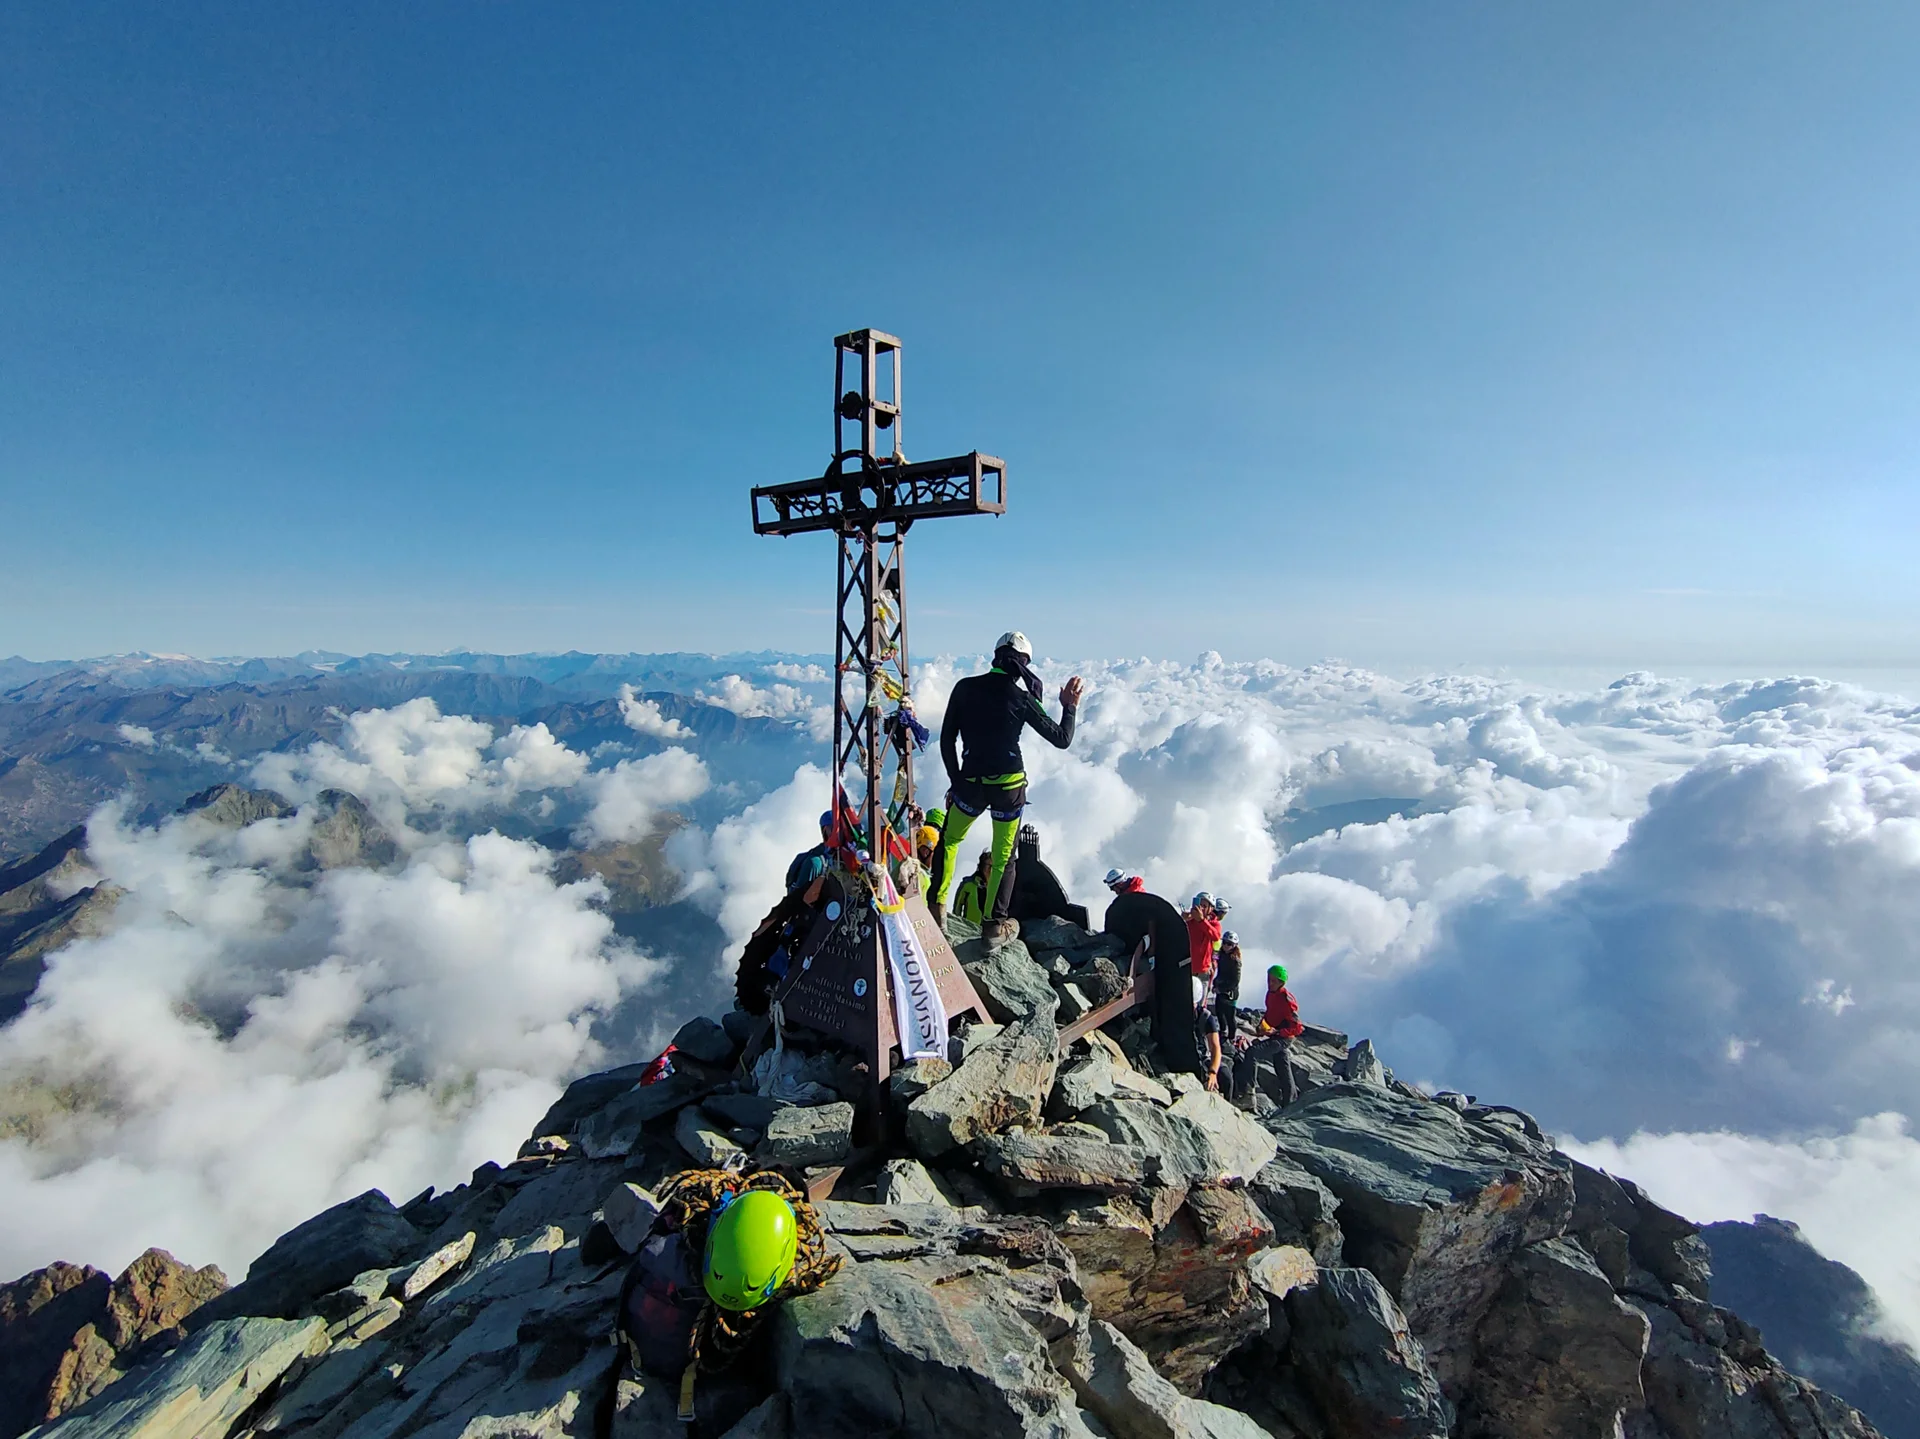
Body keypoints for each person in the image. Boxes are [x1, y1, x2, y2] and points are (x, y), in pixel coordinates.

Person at [929, 631, 1083, 942]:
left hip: (970, 782)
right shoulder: (1022, 698)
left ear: (995, 655)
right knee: (1003, 858)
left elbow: (947, 739)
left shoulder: (964, 688)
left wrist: (957, 781)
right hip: (1010, 786)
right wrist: (1069, 706)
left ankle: (937, 908)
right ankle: (993, 927)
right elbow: (1062, 739)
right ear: (1023, 664)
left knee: (949, 840)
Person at [1259, 963, 1305, 1105]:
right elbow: (1270, 1013)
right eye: (1269, 980)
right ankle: (1290, 1101)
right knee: (1282, 1067)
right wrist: (1262, 1025)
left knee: (1253, 1053)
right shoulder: (1270, 994)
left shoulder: (1286, 1000)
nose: (1270, 983)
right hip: (1275, 1033)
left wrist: (1278, 1031)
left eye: (1273, 981)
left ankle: (1247, 1093)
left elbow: (1298, 1027)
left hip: (1284, 1037)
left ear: (1281, 983)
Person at [784, 811, 837, 893]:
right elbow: (800, 900)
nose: (839, 832)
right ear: (825, 830)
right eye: (834, 828)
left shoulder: (849, 856)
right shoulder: (815, 863)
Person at [1193, 977, 1224, 1092]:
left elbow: (1215, 1047)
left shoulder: (1205, 1017)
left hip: (1200, 1057)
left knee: (1226, 1077)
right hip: (1181, 1055)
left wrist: (1213, 1072)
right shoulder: (1174, 1011)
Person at [1214, 930, 1243, 1045]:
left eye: (1229, 944)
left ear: (1234, 946)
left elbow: (1235, 981)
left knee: (1230, 1016)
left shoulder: (1235, 961)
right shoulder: (1222, 955)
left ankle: (1231, 1038)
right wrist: (1216, 983)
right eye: (1225, 942)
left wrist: (1221, 989)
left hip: (1230, 993)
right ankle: (1222, 1032)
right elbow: (1220, 972)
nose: (1226, 945)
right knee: (1219, 1012)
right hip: (1220, 988)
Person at [1185, 892, 1221, 981]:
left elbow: (1215, 936)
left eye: (1204, 906)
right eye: (1199, 905)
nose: (1201, 908)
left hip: (1202, 970)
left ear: (1211, 909)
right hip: (1187, 966)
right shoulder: (1190, 920)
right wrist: (1182, 920)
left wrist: (1201, 921)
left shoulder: (1214, 923)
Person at [952, 851, 993, 927]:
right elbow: (956, 909)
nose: (990, 869)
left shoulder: (999, 888)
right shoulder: (968, 884)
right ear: (981, 866)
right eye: (988, 866)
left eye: (993, 866)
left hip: (989, 933)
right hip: (968, 930)